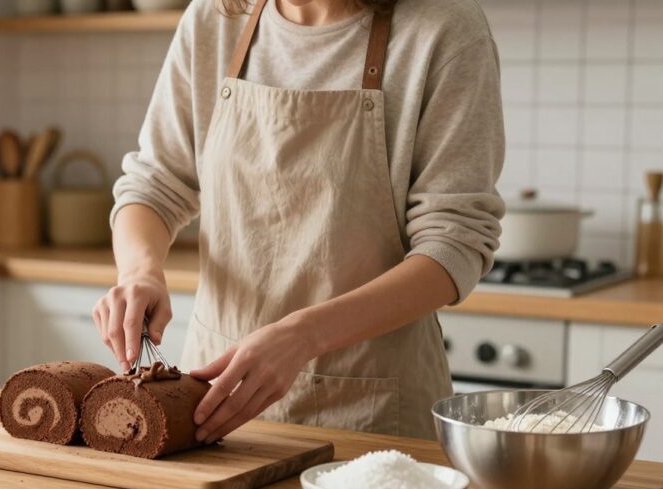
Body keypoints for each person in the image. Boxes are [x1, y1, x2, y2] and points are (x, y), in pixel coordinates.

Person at [92, 0, 504, 442]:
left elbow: (454, 242)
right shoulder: (215, 18)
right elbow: (155, 183)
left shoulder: (444, 29)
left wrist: (304, 336)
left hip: (373, 417)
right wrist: (141, 271)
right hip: (216, 405)